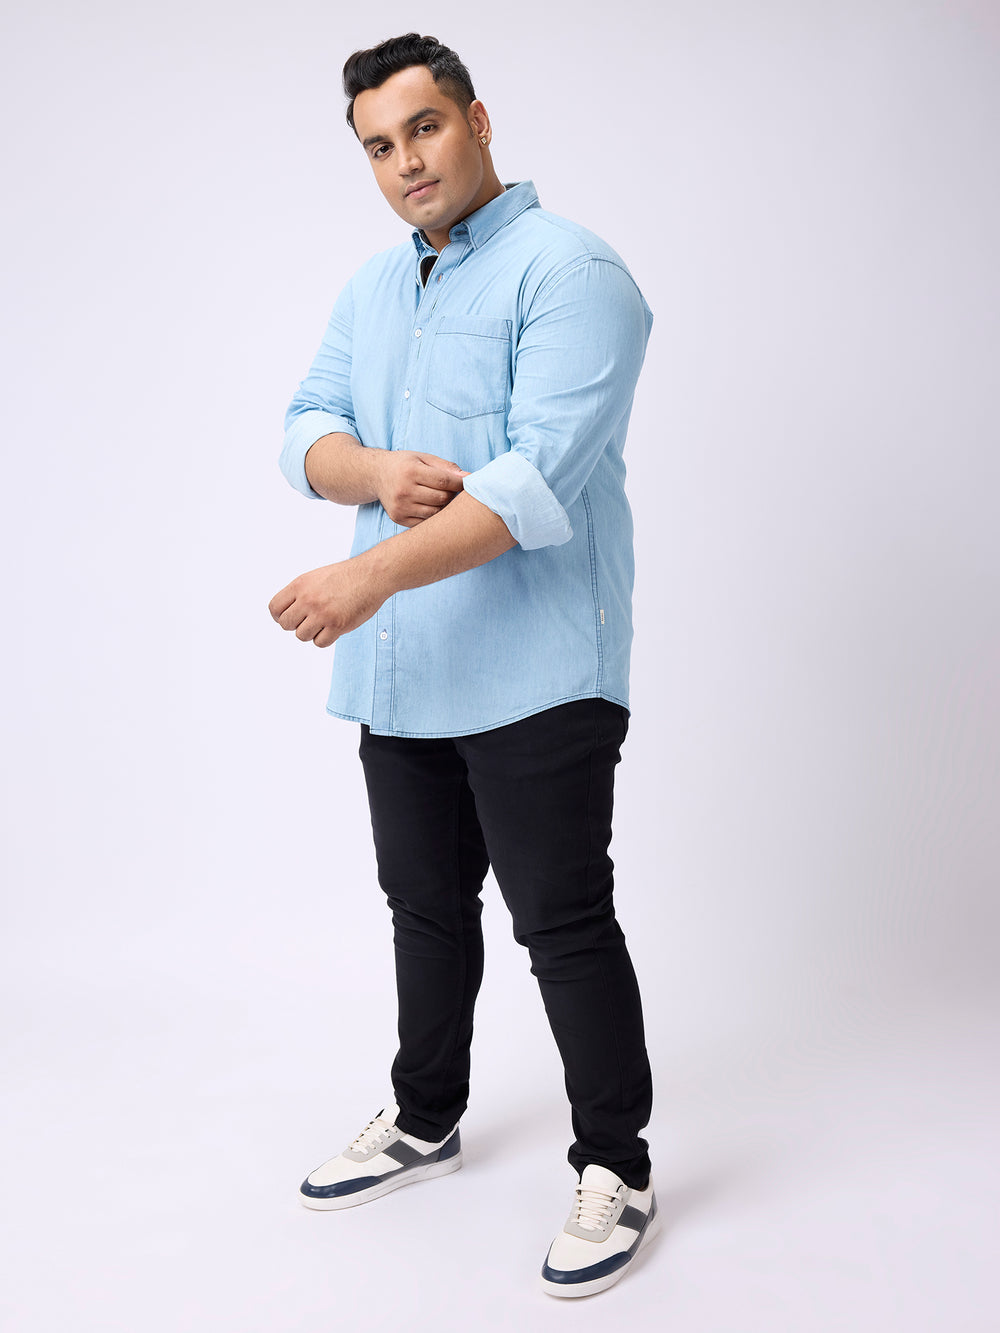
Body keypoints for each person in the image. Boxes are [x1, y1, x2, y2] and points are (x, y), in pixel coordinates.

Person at [268, 33, 657, 1298]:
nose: (405, 162)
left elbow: (535, 481)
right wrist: (374, 469)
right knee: (424, 907)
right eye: (379, 146)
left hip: (540, 669)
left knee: (561, 920)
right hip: (408, 672)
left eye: (423, 128)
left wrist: (365, 575)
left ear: (477, 121)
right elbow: (305, 428)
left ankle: (616, 1166)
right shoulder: (374, 287)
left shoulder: (574, 272)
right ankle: (424, 1114)